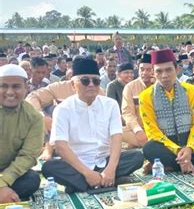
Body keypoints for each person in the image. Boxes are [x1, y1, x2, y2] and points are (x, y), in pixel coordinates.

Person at [42, 58, 144, 193]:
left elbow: (116, 138)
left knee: (137, 157)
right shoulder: (62, 109)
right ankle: (107, 182)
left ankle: (86, 184)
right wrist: (87, 173)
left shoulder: (110, 105)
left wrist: (111, 169)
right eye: (85, 81)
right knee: (49, 167)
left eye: (95, 81)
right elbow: (61, 147)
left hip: (105, 161)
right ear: (73, 84)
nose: (91, 85)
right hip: (76, 164)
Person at [140, 50, 194, 173]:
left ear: (177, 69)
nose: (164, 75)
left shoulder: (190, 90)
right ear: (153, 73)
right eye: (159, 71)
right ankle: (183, 163)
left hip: (189, 147)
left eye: (168, 70)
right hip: (165, 148)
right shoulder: (146, 96)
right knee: (149, 148)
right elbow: (153, 132)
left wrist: (189, 148)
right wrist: (177, 150)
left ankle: (169, 166)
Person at [0, 64, 43, 203]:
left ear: (26, 88)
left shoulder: (34, 117)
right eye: (4, 86)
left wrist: (4, 181)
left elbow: (28, 156)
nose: (10, 92)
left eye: (16, 86)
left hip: (9, 171)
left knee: (32, 180)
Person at [122, 54, 155, 148]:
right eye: (142, 69)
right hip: (138, 129)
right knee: (118, 131)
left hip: (158, 130)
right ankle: (151, 145)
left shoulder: (160, 86)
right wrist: (137, 130)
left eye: (149, 69)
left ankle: (148, 145)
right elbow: (127, 113)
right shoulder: (130, 87)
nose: (145, 73)